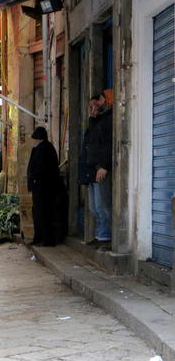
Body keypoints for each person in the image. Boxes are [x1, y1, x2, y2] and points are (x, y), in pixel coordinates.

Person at [79, 93, 113, 249]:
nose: (93, 109)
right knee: (94, 207)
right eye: (90, 107)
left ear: (103, 101)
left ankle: (105, 237)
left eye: (95, 105)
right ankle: (100, 235)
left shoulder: (108, 119)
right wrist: (92, 118)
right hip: (91, 170)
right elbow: (89, 146)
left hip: (100, 169)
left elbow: (108, 145)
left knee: (102, 206)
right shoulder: (94, 122)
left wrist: (104, 166)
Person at [27, 126, 59, 247]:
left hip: (43, 188)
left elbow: (40, 169)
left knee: (43, 213)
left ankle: (45, 239)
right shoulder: (43, 148)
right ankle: (40, 238)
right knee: (40, 212)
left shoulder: (43, 149)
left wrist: (34, 182)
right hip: (42, 187)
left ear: (39, 139)